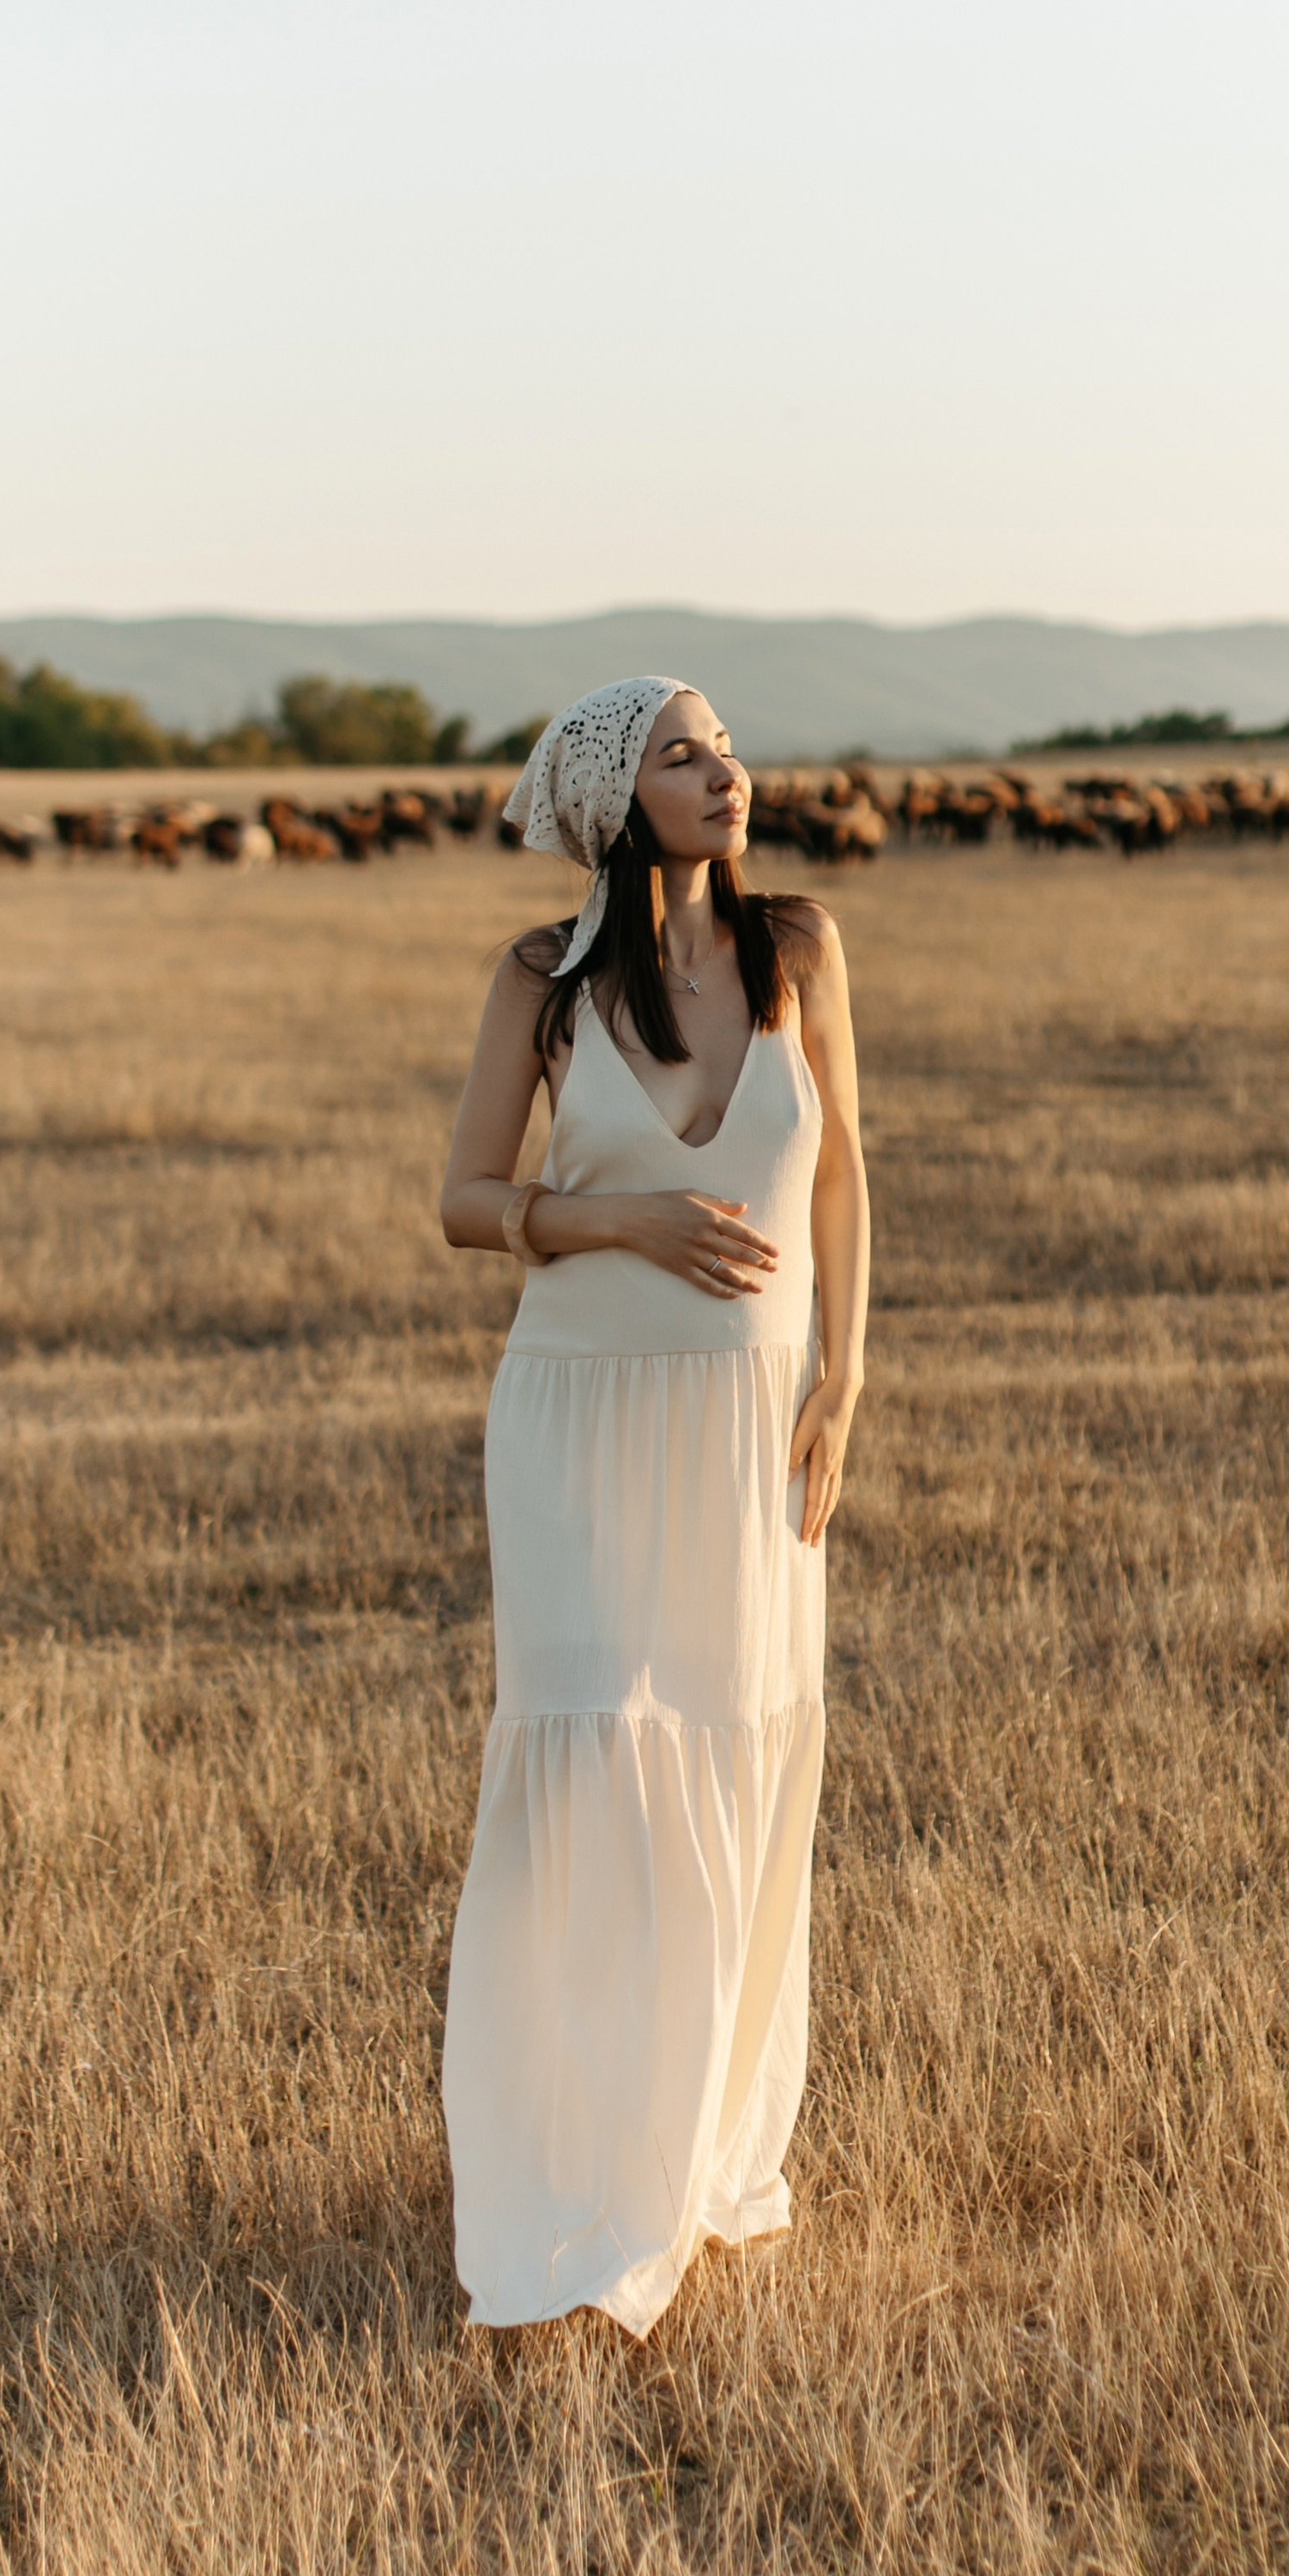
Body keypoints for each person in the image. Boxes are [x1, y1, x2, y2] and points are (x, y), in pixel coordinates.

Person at [436, 676, 869, 2334]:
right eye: (685, 755)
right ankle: (571, 2156)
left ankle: (690, 2152)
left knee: (741, 1742)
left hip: (755, 1422)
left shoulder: (801, 952)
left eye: (729, 747)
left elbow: (841, 1174)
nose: (729, 772)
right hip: (575, 1417)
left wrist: (846, 1373)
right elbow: (466, 1200)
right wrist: (619, 1224)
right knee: (598, 1744)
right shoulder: (539, 983)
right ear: (617, 802)